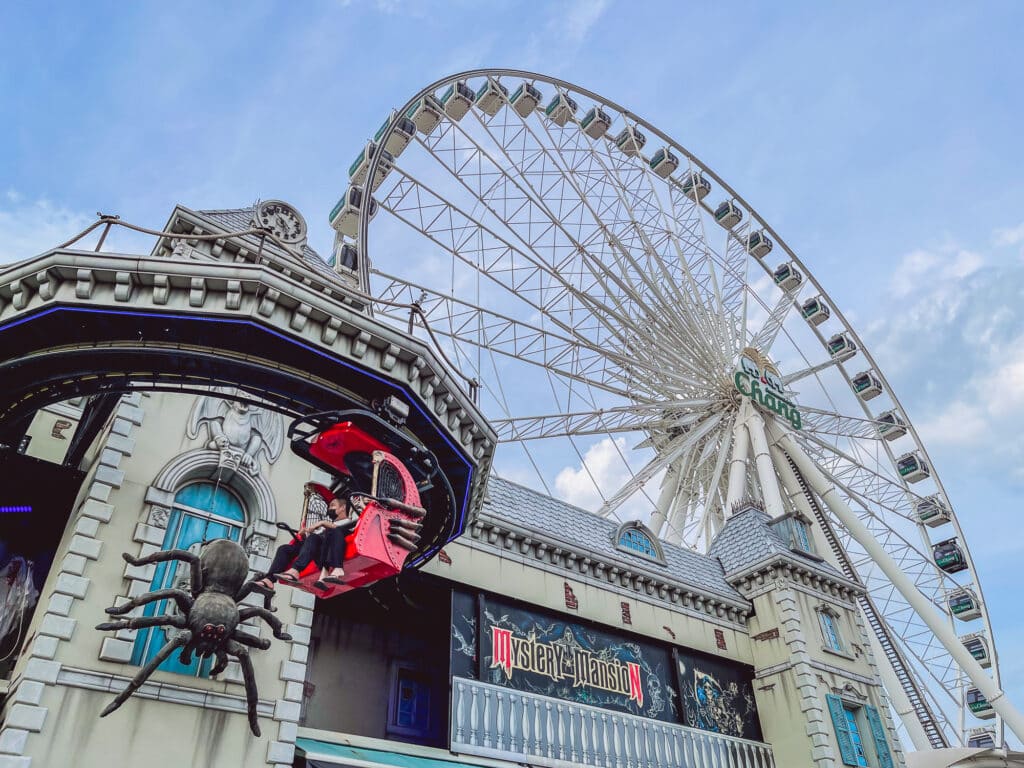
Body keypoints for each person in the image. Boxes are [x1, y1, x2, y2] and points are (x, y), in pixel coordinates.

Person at [271, 492, 367, 590]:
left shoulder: (348, 521)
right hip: (317, 552)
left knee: (321, 535)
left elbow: (340, 529)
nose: (329, 509)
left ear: (343, 508)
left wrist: (322, 523)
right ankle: (269, 580)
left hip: (332, 550)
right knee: (284, 549)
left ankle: (303, 570)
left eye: (333, 505)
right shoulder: (326, 526)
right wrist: (304, 534)